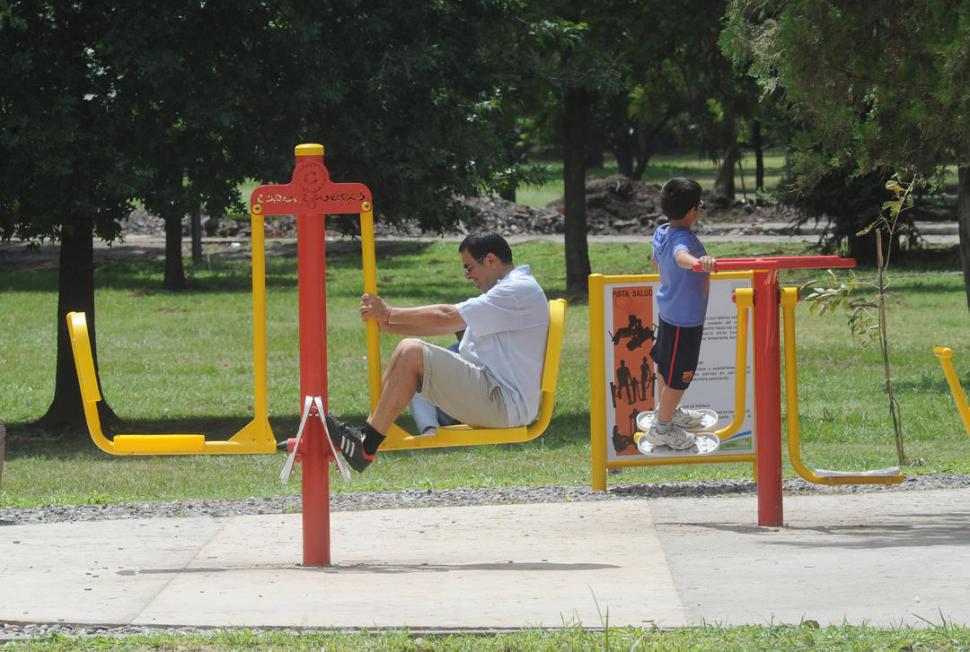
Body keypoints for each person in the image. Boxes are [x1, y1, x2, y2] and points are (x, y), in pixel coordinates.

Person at [323, 232, 550, 472]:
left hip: (505, 403)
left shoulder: (516, 291)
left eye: (469, 267)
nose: (467, 276)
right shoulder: (509, 291)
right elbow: (446, 323)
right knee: (406, 347)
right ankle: (365, 435)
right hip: (496, 393)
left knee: (412, 351)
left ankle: (365, 445)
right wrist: (389, 323)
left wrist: (389, 313)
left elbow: (446, 317)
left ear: (491, 260)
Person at [645, 177, 716, 450]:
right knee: (680, 377)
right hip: (685, 321)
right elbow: (679, 256)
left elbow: (656, 260)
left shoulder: (662, 231)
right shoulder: (682, 238)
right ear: (692, 212)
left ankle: (668, 412)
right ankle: (662, 428)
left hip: (670, 312)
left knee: (666, 365)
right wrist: (700, 263)